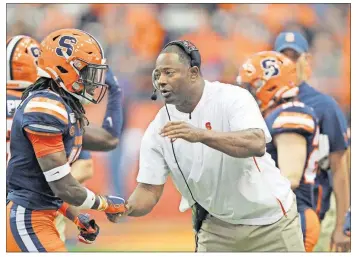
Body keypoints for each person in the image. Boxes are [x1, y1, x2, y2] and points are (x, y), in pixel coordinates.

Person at [107, 40, 304, 252]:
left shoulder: (232, 97)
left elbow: (256, 143)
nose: (161, 81)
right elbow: (148, 189)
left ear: (193, 72)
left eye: (169, 73)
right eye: (157, 75)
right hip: (216, 227)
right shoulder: (158, 128)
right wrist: (127, 208)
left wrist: (200, 134)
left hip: (271, 222)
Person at [6, 29, 126, 252]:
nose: (93, 82)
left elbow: (43, 185)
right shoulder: (46, 107)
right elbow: (63, 186)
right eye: (88, 73)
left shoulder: (57, 104)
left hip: (37, 214)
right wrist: (105, 203)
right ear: (64, 68)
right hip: (27, 219)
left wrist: (75, 215)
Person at [274, 32, 350, 252]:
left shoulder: (325, 106)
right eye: (283, 57)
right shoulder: (264, 102)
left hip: (317, 213)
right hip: (272, 217)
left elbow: (340, 169)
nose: (289, 63)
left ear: (306, 60)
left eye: (294, 57)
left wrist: (341, 227)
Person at [238, 51, 321, 251]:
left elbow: (289, 178)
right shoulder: (275, 115)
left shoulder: (291, 114)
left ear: (268, 86)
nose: (247, 94)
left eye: (251, 87)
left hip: (291, 219)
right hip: (278, 218)